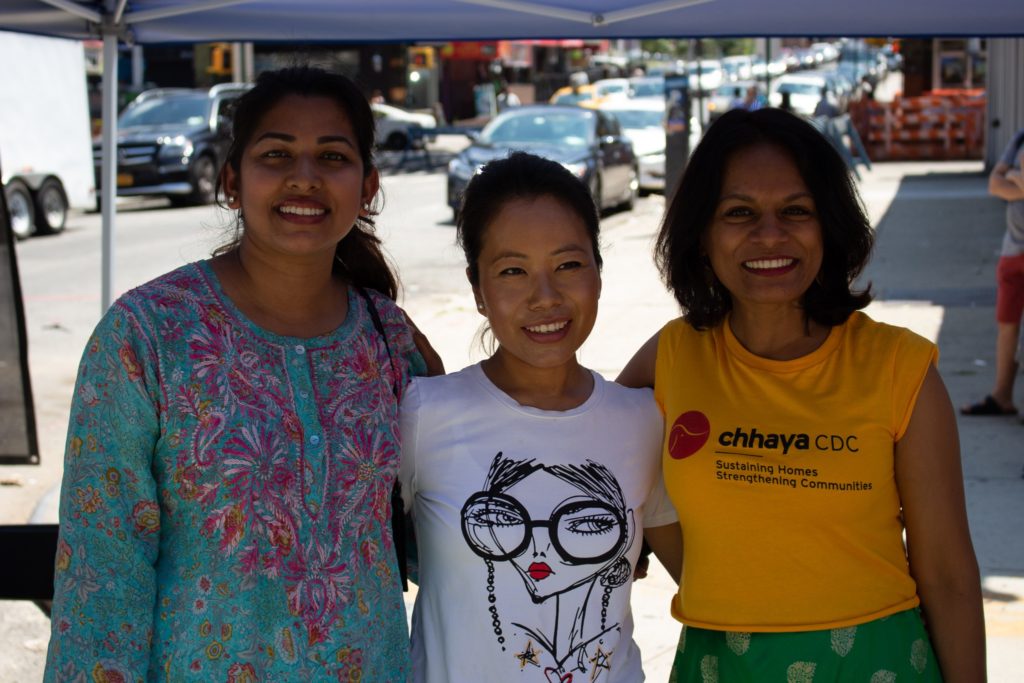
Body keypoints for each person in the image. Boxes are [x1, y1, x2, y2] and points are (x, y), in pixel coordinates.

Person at [44, 66, 441, 681]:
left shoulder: (389, 339)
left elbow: (438, 537)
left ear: (368, 186)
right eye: (276, 153)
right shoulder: (146, 337)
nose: (303, 176)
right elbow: (102, 574)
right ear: (232, 181)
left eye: (331, 156)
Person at [619, 108, 986, 681]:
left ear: (830, 225)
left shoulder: (900, 368)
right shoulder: (669, 359)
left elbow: (948, 577)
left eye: (797, 211)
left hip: (875, 664)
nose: (771, 235)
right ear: (703, 235)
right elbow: (595, 461)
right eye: (739, 213)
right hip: (719, 665)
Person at [399, 152, 681, 682]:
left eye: (568, 265)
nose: (545, 297)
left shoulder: (644, 419)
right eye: (513, 271)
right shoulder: (424, 413)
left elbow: (703, 578)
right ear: (478, 289)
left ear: (599, 270)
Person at [961, 125, 1024, 417]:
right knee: (1007, 324)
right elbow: (993, 184)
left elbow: (1004, 180)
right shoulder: (1020, 137)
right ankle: (1002, 396)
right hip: (1013, 248)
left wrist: (1012, 177)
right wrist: (1014, 179)